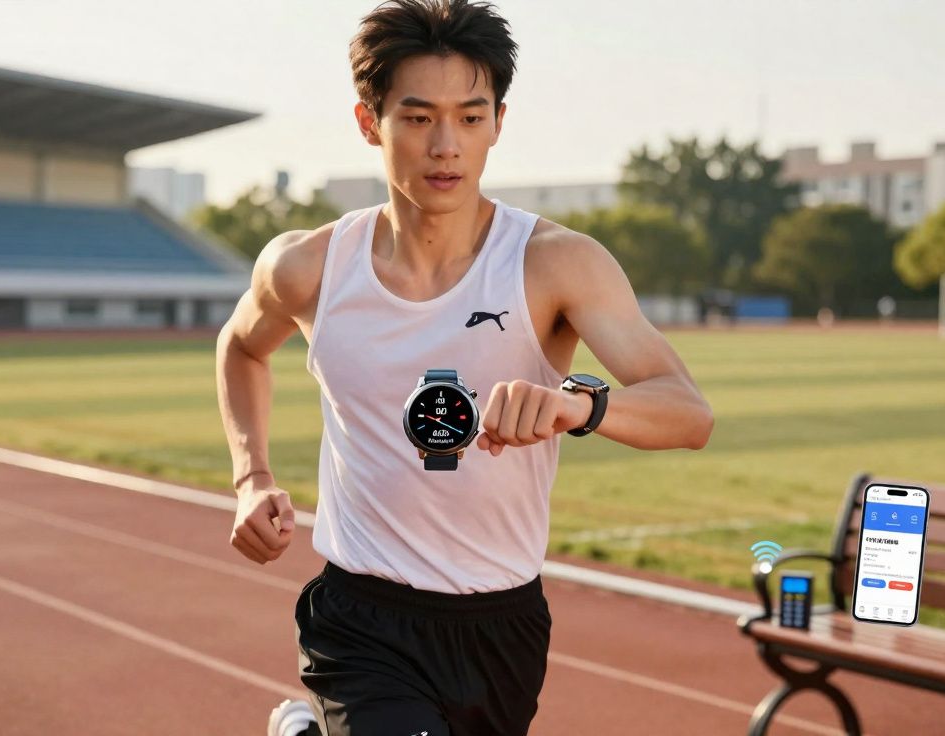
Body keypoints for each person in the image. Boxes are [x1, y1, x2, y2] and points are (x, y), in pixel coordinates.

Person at [215, 2, 714, 734]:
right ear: (368, 122)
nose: (446, 145)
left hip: (501, 622)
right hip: (362, 613)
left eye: (470, 118)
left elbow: (688, 413)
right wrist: (250, 476)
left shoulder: (556, 263)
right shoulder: (308, 267)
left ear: (498, 125)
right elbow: (241, 347)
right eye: (417, 118)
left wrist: (579, 405)